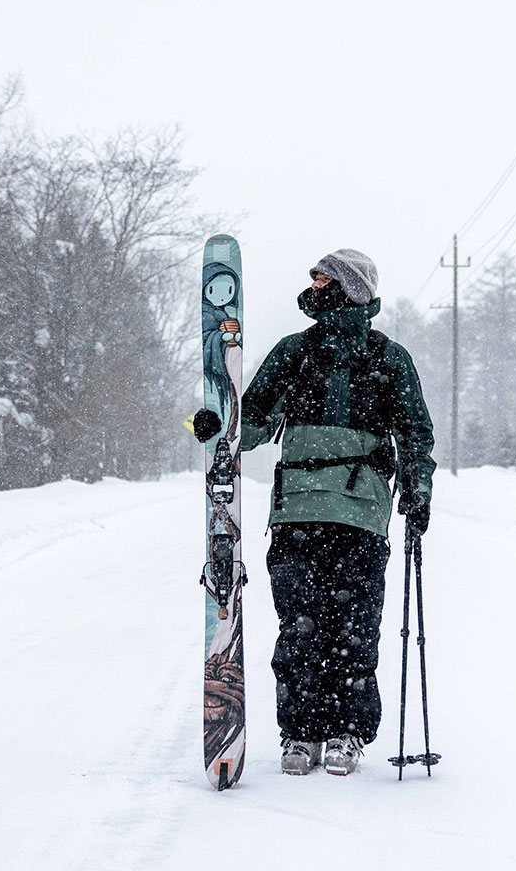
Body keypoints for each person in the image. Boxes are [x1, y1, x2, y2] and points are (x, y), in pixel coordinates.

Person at [194, 248, 434, 776]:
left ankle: (346, 731)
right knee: (300, 627)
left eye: (324, 277)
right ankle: (301, 732)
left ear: (348, 288)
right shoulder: (293, 353)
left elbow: (417, 435)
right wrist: (218, 426)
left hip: (360, 515)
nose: (314, 282)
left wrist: (418, 487)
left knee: (352, 628)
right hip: (297, 513)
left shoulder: (388, 358)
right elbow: (248, 424)